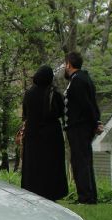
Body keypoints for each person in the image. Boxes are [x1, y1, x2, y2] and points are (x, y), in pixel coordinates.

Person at [20, 65, 68, 200]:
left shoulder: (29, 94)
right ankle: (52, 192)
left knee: (34, 165)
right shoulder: (54, 94)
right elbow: (60, 112)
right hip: (51, 135)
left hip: (33, 134)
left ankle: (32, 191)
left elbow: (25, 115)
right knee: (51, 165)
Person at [63, 51, 103, 204]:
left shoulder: (78, 81)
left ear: (69, 64)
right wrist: (96, 121)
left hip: (79, 127)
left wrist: (95, 123)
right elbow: (92, 103)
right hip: (81, 126)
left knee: (80, 161)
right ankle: (89, 196)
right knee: (84, 161)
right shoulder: (82, 78)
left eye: (65, 64)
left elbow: (86, 105)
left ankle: (85, 197)